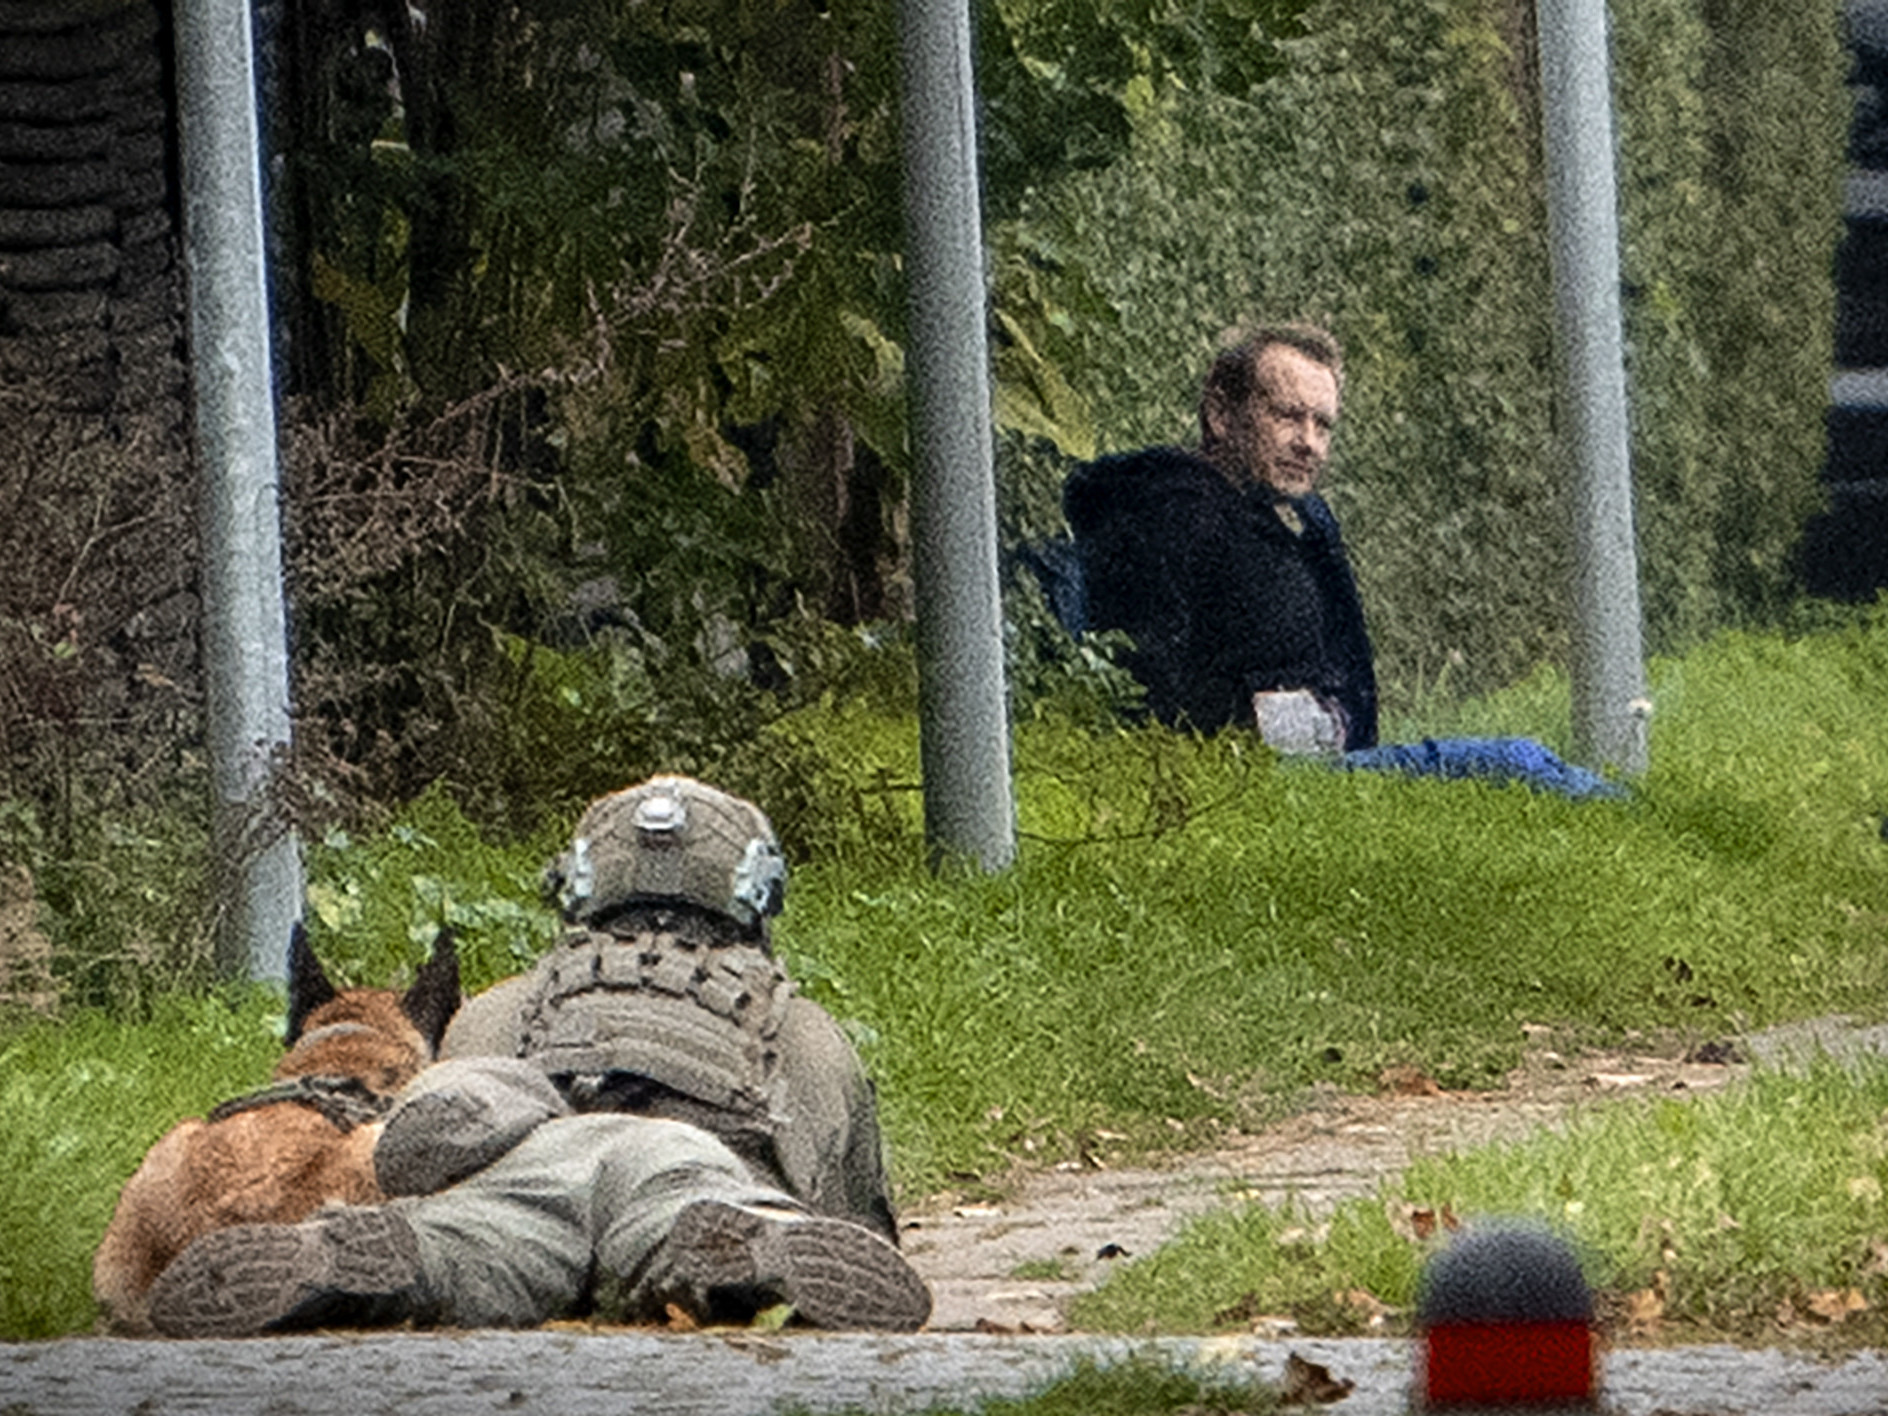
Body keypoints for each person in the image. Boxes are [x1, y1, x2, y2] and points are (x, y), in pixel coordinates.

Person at [145, 776, 933, 1336]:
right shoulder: (802, 1027)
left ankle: (359, 1254)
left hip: (532, 1156)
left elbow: (449, 1135)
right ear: (754, 894)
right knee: (681, 1222)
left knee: (467, 1247)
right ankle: (746, 1241)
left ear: (582, 889)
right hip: (685, 1161)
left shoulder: (507, 1003)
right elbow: (858, 1223)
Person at [1062, 323, 1378, 749]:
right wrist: (1306, 725)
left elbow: (1354, 671)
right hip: (1258, 765)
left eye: (1322, 425)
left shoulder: (1304, 520)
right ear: (1221, 416)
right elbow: (1151, 690)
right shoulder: (1167, 516)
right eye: (1287, 416)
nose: (1310, 444)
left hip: (1335, 760)